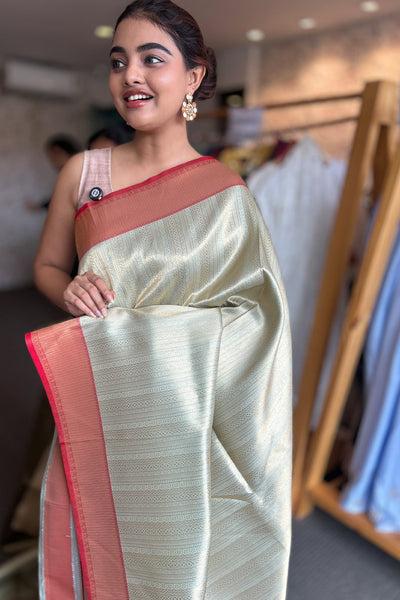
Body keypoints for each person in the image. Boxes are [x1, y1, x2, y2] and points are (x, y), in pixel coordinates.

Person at [26, 1, 292, 598]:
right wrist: (67, 288)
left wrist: (163, 336)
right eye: (118, 61)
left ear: (193, 77)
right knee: (90, 550)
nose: (131, 76)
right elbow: (45, 267)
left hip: (179, 418)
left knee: (170, 557)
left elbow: (257, 319)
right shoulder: (83, 172)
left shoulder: (225, 194)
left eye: (152, 59)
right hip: (96, 400)